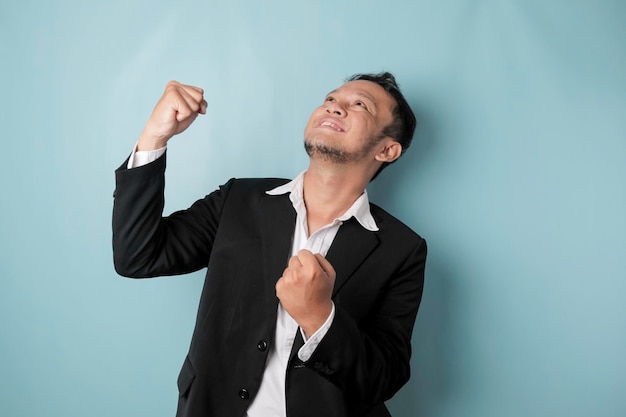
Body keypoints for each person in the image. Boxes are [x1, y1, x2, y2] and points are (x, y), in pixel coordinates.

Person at [112, 72, 427, 417]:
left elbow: (382, 379)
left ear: (387, 149)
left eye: (359, 105)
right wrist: (155, 136)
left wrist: (319, 317)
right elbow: (138, 256)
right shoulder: (239, 200)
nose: (334, 109)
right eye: (331, 100)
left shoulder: (402, 249)